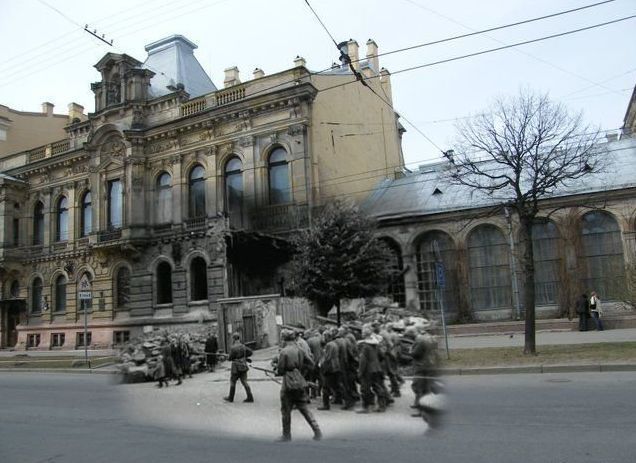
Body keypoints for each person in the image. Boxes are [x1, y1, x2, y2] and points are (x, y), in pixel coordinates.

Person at [275, 329, 322, 442]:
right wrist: (299, 370)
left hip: (288, 383)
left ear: (284, 339)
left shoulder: (284, 351)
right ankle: (317, 431)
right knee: (304, 407)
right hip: (300, 380)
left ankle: (286, 435)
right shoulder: (300, 349)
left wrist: (278, 370)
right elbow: (311, 363)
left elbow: (280, 370)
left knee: (286, 410)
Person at [357, 325, 390, 413]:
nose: (362, 333)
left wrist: (360, 372)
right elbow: (381, 356)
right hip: (377, 368)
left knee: (365, 388)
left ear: (365, 334)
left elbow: (362, 361)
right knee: (378, 387)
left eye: (362, 332)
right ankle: (382, 406)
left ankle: (366, 407)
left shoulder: (364, 346)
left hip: (368, 370)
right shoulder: (376, 345)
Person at [223, 332, 254, 403]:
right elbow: (250, 352)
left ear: (233, 339)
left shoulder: (233, 347)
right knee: (244, 381)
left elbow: (230, 358)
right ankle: (250, 397)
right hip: (243, 365)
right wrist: (245, 357)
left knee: (233, 381)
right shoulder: (243, 346)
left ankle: (231, 398)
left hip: (235, 368)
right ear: (239, 338)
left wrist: (227, 357)